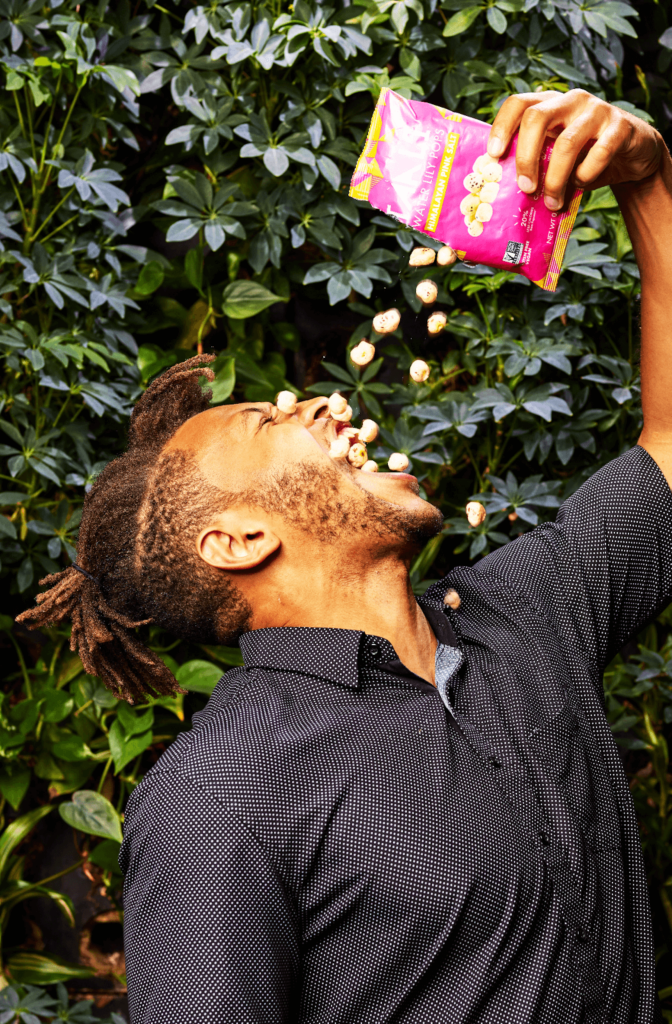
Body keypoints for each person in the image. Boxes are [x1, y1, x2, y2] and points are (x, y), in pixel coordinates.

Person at [18, 89, 671, 1023]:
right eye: (269, 418)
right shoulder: (219, 796)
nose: (318, 405)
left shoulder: (525, 610)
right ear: (237, 540)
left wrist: (648, 183)